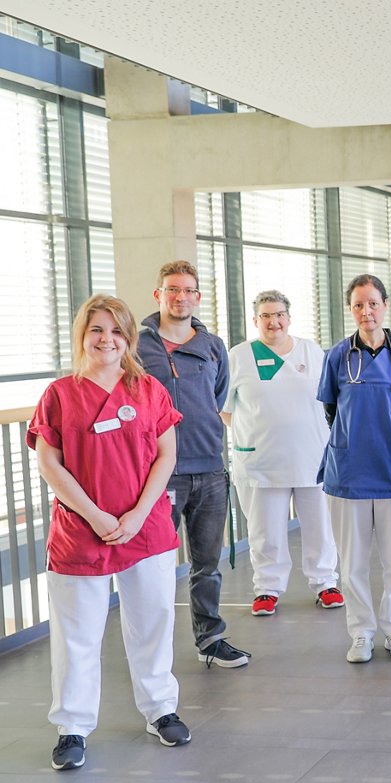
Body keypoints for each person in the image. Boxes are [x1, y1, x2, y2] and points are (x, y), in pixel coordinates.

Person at [30, 295, 191, 771]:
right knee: (77, 632)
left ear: (129, 338)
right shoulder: (59, 393)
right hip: (82, 530)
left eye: (116, 330)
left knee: (153, 621)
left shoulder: (149, 390)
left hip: (145, 528)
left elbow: (166, 455)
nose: (107, 339)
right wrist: (96, 516)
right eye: (96, 329)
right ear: (82, 335)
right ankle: (73, 726)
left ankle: (160, 709)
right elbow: (49, 463)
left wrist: (139, 514)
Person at [138, 260, 250, 669]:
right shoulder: (139, 346)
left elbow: (216, 397)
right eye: (172, 289)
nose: (180, 297)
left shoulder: (213, 345)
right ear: (158, 295)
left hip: (209, 470)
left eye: (187, 290)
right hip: (158, 475)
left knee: (207, 564)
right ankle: (153, 649)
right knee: (155, 566)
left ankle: (211, 639)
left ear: (198, 297)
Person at [317, 274, 391, 664]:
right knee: (353, 563)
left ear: (385, 306)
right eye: (359, 305)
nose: (367, 311)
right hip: (348, 472)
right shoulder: (337, 356)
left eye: (373, 303)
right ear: (351, 310)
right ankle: (361, 632)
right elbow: (331, 409)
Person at [221, 289, 343, 617]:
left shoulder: (311, 351)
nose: (273, 322)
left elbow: (330, 397)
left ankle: (325, 582)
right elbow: (221, 404)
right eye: (266, 316)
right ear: (255, 320)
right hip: (262, 460)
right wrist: (247, 430)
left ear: (289, 318)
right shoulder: (239, 356)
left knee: (319, 524)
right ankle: (267, 588)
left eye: (279, 315)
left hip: (311, 456)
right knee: (266, 530)